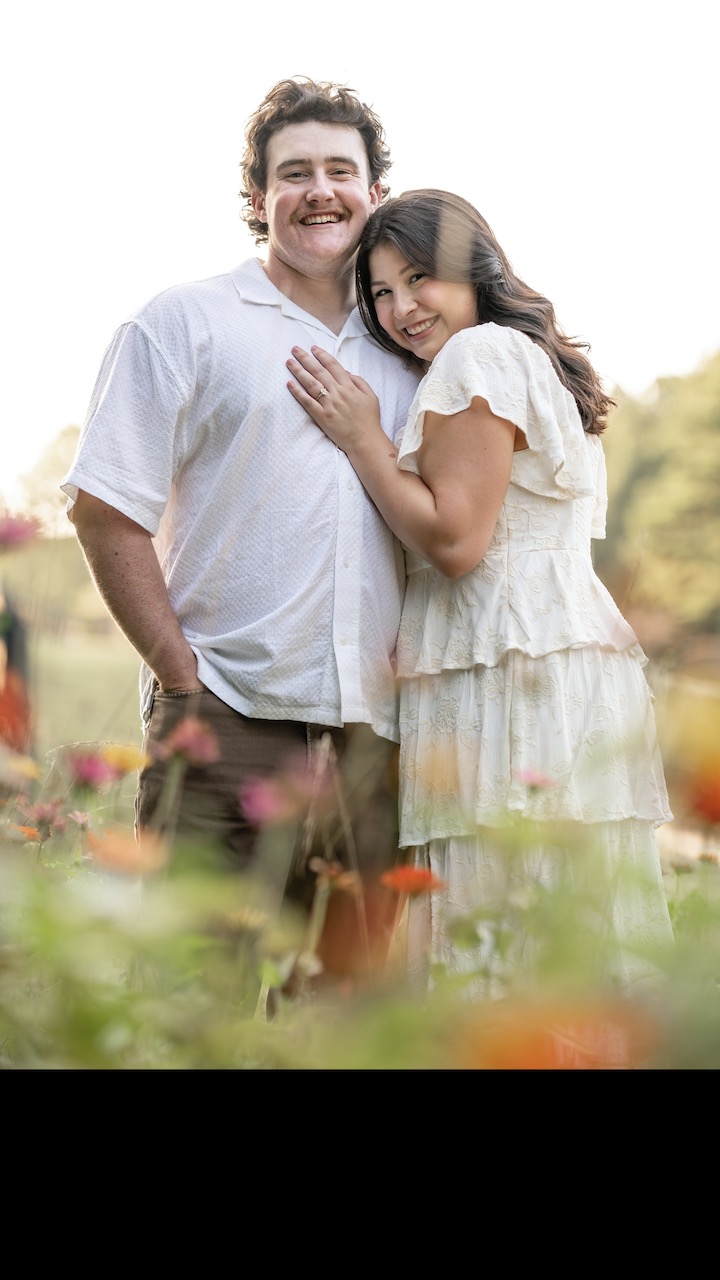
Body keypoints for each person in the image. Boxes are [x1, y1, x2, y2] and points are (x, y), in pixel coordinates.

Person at [60, 78, 422, 996]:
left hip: (373, 741)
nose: (320, 191)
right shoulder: (183, 321)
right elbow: (105, 507)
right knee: (193, 1010)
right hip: (226, 722)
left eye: (341, 170)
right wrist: (183, 677)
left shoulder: (412, 342)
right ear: (258, 200)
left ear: (374, 192)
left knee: (349, 1024)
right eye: (293, 173)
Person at [286, 188, 675, 999]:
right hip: (546, 657)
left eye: (419, 278)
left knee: (500, 934)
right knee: (554, 929)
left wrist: (362, 439)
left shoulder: (480, 355)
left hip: (511, 668)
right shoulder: (518, 353)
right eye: (381, 292)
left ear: (472, 269)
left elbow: (458, 542)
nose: (400, 309)